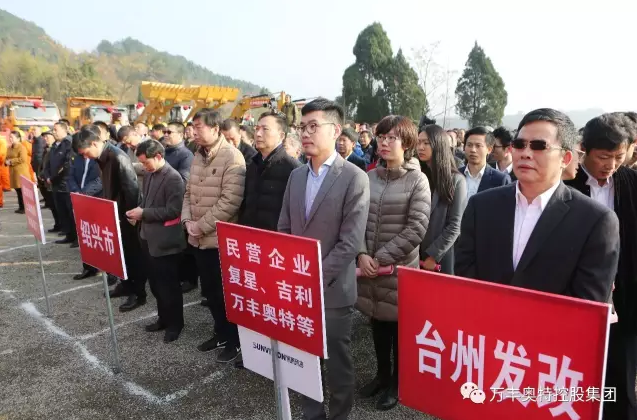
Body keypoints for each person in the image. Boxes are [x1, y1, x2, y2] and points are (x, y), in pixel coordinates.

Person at [455, 108, 619, 304]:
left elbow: (586, 303)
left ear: (565, 159)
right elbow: (465, 277)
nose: (526, 153)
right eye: (519, 144)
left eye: (539, 146)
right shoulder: (481, 206)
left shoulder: (595, 221)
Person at [278, 98, 370, 420]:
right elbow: (284, 228)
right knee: (305, 360)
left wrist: (312, 277)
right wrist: (292, 274)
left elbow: (350, 242)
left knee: (337, 362)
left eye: (313, 126)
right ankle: (312, 413)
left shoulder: (354, 177)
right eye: (302, 127)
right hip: (299, 287)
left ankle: (340, 415)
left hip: (332, 290)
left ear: (335, 130)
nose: (305, 133)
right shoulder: (296, 177)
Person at [564, 112, 637, 420]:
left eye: (619, 157)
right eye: (604, 157)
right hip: (577, 297)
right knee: (577, 377)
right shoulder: (566, 184)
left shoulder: (631, 183)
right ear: (584, 149)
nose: (611, 165)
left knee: (622, 381)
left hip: (625, 300)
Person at [356, 115, 430, 411]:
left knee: (399, 329)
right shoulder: (369, 177)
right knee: (377, 322)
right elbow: (357, 219)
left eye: (392, 138)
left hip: (398, 270)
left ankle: (398, 383)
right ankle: (382, 375)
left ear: (407, 143)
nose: (384, 143)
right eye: (381, 137)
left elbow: (416, 228)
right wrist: (362, 253)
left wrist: (380, 258)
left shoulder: (417, 180)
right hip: (369, 268)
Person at [181, 108, 246, 363]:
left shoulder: (232, 157)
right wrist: (187, 220)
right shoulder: (198, 155)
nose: (194, 132)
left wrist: (201, 225)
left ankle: (235, 340)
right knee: (209, 292)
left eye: (199, 127)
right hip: (198, 238)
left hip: (220, 240)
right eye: (193, 127)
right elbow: (189, 192)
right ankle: (220, 333)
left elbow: (230, 201)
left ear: (216, 129)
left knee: (225, 294)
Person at [76, 125, 147, 312]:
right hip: (114, 213)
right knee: (120, 254)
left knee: (133, 255)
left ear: (94, 143)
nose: (86, 157)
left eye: (86, 152)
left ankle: (138, 293)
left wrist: (130, 216)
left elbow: (132, 188)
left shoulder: (117, 157)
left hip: (126, 216)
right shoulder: (102, 157)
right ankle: (125, 284)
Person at [126, 140, 186, 343]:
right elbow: (146, 201)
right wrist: (138, 213)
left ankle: (175, 324)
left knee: (169, 286)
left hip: (165, 242)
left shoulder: (173, 178)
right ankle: (163, 318)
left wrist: (144, 213)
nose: (144, 167)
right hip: (147, 237)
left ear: (159, 156)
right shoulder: (150, 174)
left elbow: (173, 211)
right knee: (155, 285)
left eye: (146, 162)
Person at [417, 125, 468, 274]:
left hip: (440, 258)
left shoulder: (456, 180)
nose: (420, 147)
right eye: (418, 142)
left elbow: (455, 225)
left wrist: (433, 255)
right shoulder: (418, 176)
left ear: (438, 144)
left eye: (426, 143)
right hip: (414, 254)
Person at [68, 130, 103, 267]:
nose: (84, 155)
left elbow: (100, 180)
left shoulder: (101, 157)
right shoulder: (77, 157)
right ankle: (88, 266)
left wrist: (83, 194)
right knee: (84, 235)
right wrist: (77, 192)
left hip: (96, 200)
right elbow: (70, 176)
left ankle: (103, 266)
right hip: (80, 199)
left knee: (98, 236)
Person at [459, 126, 511, 199]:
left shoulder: (500, 180)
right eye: (469, 145)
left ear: (489, 149)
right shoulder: (455, 175)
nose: (473, 150)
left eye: (478, 146)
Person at [48, 122, 75, 244]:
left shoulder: (68, 143)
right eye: (53, 130)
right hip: (55, 184)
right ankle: (68, 235)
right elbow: (48, 162)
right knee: (61, 211)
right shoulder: (54, 145)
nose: (53, 132)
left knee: (70, 211)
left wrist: (53, 177)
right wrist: (46, 175)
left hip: (65, 183)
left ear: (64, 130)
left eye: (56, 130)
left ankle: (76, 237)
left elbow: (66, 165)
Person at [5, 131, 30, 213]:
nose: (10, 139)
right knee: (18, 190)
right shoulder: (9, 147)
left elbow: (23, 159)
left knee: (21, 190)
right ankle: (21, 207)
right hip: (13, 172)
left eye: (12, 137)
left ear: (18, 138)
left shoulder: (21, 147)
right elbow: (7, 157)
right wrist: (6, 161)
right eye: (10, 137)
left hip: (21, 172)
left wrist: (11, 161)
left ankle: (24, 208)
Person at [38, 131, 59, 228]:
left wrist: (44, 175)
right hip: (46, 180)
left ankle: (60, 225)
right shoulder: (47, 149)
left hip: (52, 180)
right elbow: (43, 164)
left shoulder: (54, 150)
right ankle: (57, 224)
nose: (45, 139)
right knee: (51, 204)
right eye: (44, 137)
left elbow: (52, 166)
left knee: (56, 205)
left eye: (47, 137)